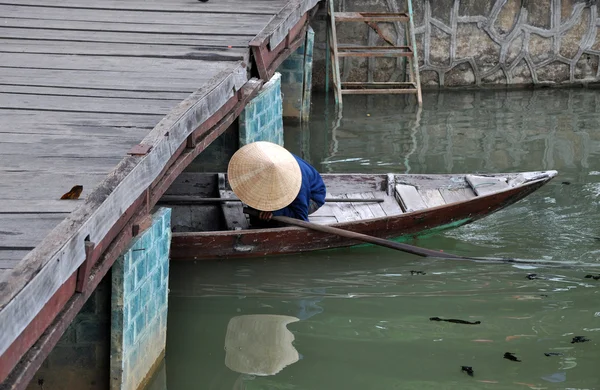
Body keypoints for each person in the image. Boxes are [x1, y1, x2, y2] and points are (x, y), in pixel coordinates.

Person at [227, 141, 326, 224]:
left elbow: (301, 217)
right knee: (256, 207)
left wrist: (276, 211)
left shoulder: (298, 182)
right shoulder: (268, 161)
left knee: (269, 216)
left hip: (312, 198)